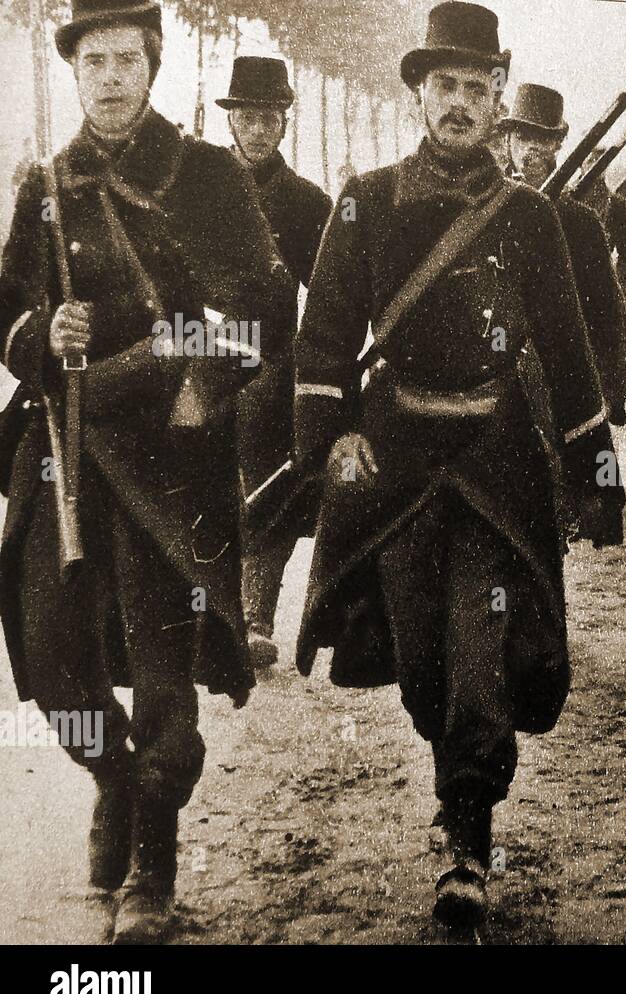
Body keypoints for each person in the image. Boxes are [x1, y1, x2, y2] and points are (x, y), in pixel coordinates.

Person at [292, 1, 622, 936]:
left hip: (495, 464)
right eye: (447, 87)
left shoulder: (530, 217)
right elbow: (322, 340)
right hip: (395, 463)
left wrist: (594, 472)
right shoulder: (364, 199)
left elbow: (566, 347)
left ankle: (466, 831)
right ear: (418, 94)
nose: (462, 105)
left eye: (479, 89)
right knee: (421, 660)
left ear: (496, 100)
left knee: (480, 644)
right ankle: (456, 782)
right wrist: (330, 438)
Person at [0, 0, 286, 943]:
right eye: (94, 62)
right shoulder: (45, 183)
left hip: (172, 458)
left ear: (153, 66)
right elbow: (6, 315)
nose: (112, 77)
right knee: (46, 661)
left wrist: (203, 373)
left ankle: (152, 868)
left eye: (128, 59)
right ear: (76, 72)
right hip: (69, 454)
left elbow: (262, 308)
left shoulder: (204, 175)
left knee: (165, 677)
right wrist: (44, 331)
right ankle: (113, 781)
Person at [218, 55, 332, 669]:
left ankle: (256, 616)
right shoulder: (199, 192)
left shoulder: (307, 203)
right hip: (201, 354)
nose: (257, 130)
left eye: (269, 118)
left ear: (284, 123)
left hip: (273, 364)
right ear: (230, 121)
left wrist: (305, 363)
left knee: (274, 482)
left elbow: (333, 296)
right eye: (246, 118)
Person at [503, 82, 626, 425]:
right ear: (508, 141)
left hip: (564, 389)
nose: (531, 148)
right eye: (522, 136)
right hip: (495, 397)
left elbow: (607, 316)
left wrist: (609, 394)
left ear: (557, 146)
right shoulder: (482, 211)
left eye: (542, 139)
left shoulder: (581, 223)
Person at [576, 145, 626, 316]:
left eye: (600, 162)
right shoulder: (566, 200)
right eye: (590, 160)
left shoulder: (618, 206)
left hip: (602, 288)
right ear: (580, 164)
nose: (595, 166)